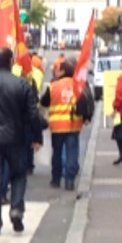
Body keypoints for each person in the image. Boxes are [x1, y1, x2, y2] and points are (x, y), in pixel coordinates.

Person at [0, 48, 43, 235]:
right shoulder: (22, 84)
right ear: (11, 61)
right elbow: (33, 113)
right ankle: (16, 208)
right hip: (16, 138)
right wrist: (37, 137)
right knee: (19, 175)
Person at [40, 59, 94, 191]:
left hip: (57, 126)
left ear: (63, 71)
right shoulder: (78, 86)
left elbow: (44, 102)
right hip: (73, 124)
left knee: (57, 153)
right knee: (72, 152)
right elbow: (87, 101)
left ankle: (56, 179)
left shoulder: (53, 86)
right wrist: (87, 117)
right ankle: (70, 181)